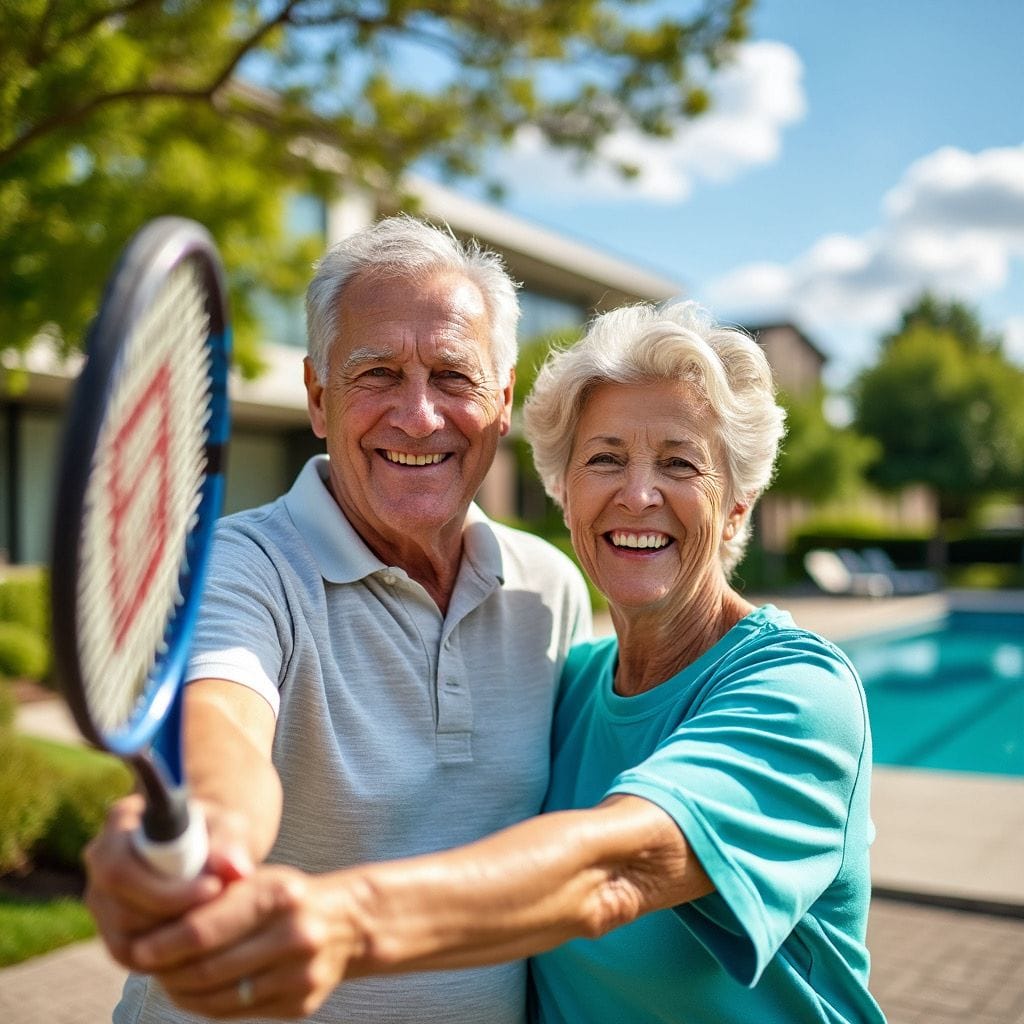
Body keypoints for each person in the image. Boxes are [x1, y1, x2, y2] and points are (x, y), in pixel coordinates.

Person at [116, 300, 887, 1023]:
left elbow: (615, 868)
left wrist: (344, 921)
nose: (638, 494)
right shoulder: (570, 684)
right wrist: (205, 833)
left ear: (740, 501)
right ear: (564, 491)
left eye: (681, 465)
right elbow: (224, 717)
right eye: (605, 459)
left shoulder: (798, 692)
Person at [84, 215, 593, 1024]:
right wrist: (209, 833)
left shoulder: (551, 588)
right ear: (319, 398)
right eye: (377, 374)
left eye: (453, 377)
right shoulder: (238, 567)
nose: (418, 415)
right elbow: (223, 727)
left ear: (503, 404)